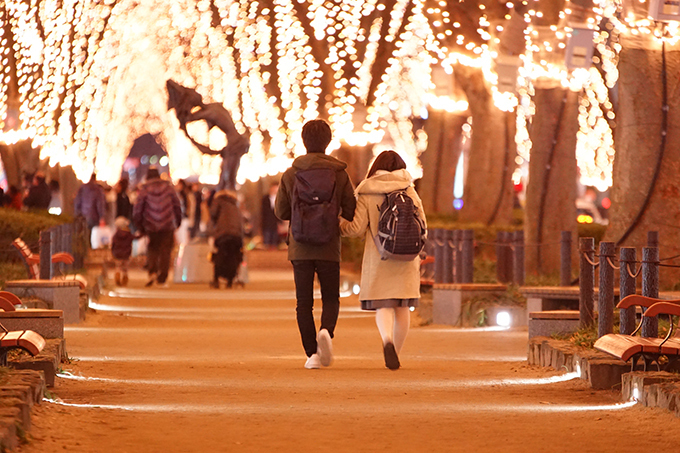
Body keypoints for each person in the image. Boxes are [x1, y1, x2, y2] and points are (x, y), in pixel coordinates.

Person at [275, 119, 356, 370]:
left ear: (303, 141)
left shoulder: (291, 174)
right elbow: (351, 208)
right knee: (331, 297)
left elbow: (280, 211)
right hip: (329, 245)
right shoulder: (339, 173)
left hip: (299, 245)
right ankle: (326, 332)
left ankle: (312, 354)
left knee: (304, 302)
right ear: (328, 141)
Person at [340, 150, 427, 370]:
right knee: (402, 307)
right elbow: (423, 224)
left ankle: (386, 339)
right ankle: (395, 352)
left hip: (380, 256)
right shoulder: (409, 189)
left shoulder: (367, 190)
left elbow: (356, 228)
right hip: (408, 256)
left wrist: (339, 226)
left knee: (384, 305)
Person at [133, 167, 182, 287]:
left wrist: (139, 225)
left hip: (151, 224)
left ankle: (152, 272)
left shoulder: (145, 190)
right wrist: (178, 221)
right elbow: (177, 205)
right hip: (167, 223)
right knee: (166, 250)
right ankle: (162, 278)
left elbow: (138, 209)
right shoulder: (169, 188)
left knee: (152, 248)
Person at [209, 189, 243, 289]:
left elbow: (213, 214)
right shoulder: (235, 204)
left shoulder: (218, 201)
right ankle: (230, 280)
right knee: (233, 257)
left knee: (220, 256)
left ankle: (216, 279)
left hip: (223, 234)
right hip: (236, 235)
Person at [74, 173, 107, 246]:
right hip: (94, 216)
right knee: (93, 234)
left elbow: (77, 202)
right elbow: (100, 204)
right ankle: (90, 247)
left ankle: (84, 248)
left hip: (83, 214)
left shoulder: (82, 188)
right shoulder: (98, 190)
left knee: (84, 233)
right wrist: (102, 217)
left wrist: (77, 213)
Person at [111, 216, 134, 286]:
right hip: (126, 254)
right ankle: (125, 278)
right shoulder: (128, 234)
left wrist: (113, 252)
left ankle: (117, 275)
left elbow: (113, 244)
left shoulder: (116, 235)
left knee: (118, 266)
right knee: (125, 268)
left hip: (117, 254)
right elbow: (133, 239)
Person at [261, 183, 282, 249]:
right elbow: (263, 212)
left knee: (274, 243)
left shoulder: (280, 199)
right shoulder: (265, 199)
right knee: (266, 243)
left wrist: (280, 223)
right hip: (266, 224)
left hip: (275, 224)